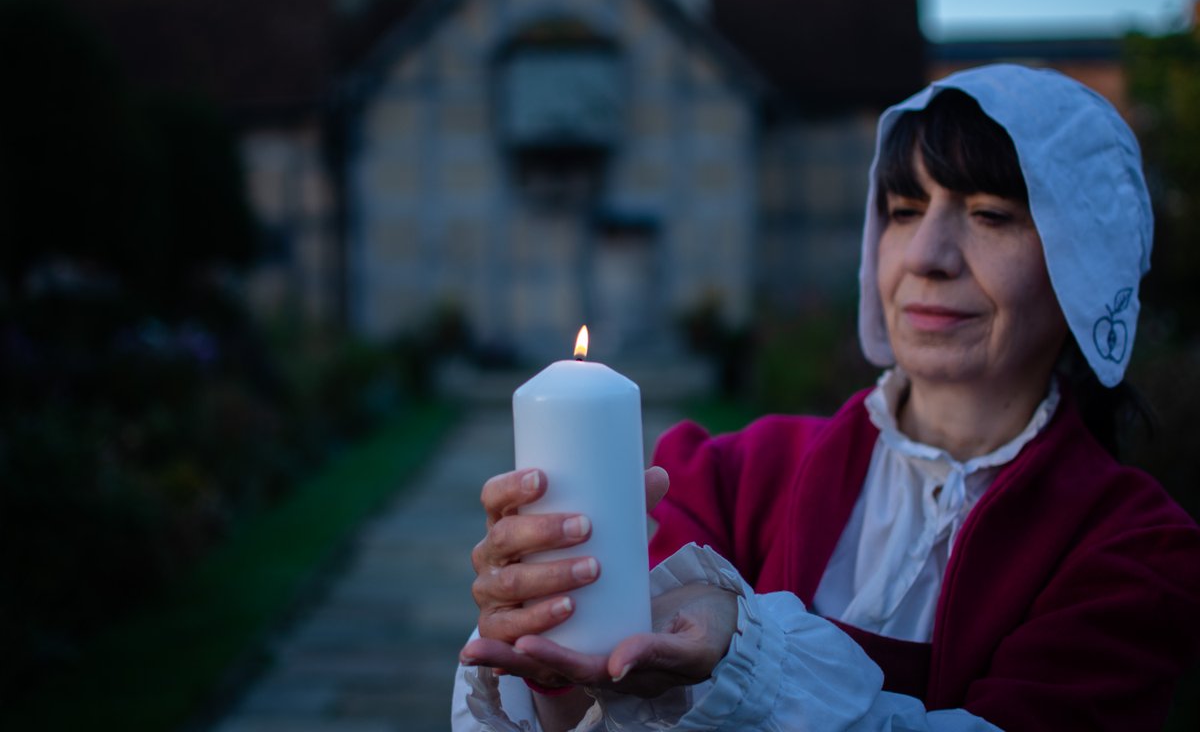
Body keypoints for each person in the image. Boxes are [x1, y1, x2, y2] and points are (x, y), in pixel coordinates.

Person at [451, 64, 1200, 731]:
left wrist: (748, 659)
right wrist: (553, 656)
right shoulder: (732, 473)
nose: (927, 258)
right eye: (905, 210)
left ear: (1088, 262)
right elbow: (610, 705)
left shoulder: (1133, 550)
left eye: (990, 215)